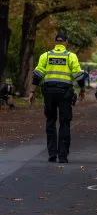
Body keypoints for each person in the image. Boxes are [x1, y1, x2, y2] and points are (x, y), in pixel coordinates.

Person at [28, 32, 86, 163]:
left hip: (48, 92)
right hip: (65, 93)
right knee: (65, 122)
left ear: (55, 43)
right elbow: (78, 74)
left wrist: (32, 92)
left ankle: (52, 154)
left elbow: (37, 75)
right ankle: (63, 156)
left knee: (50, 121)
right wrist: (82, 89)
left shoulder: (46, 56)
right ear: (65, 43)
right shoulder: (71, 56)